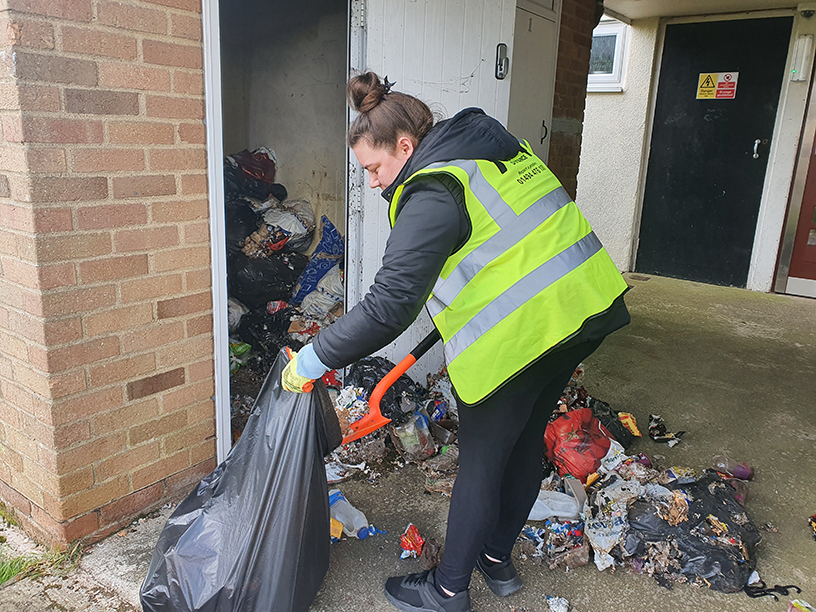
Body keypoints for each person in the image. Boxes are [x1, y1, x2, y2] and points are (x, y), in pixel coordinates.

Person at [282, 72, 630, 612]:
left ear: (405, 146)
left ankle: (447, 589)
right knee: (524, 441)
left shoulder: (432, 191)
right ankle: (497, 560)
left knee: (483, 461)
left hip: (529, 334)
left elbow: (388, 306)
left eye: (374, 168)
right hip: (580, 309)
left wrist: (314, 355)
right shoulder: (487, 149)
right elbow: (500, 249)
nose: (372, 183)